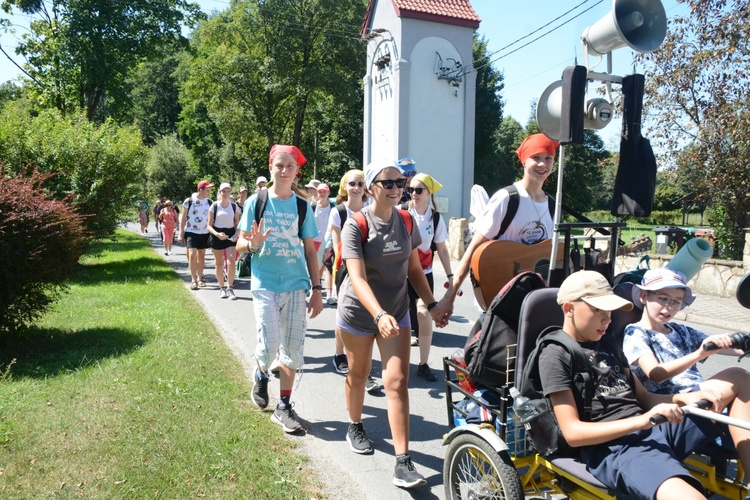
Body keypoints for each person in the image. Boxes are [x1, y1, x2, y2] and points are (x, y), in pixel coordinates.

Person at [539, 270, 740, 500]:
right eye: (597, 310)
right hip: (617, 448)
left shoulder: (608, 344)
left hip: (650, 428)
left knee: (736, 377)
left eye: (609, 310)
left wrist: (684, 399)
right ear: (569, 309)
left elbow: (645, 398)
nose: (607, 318)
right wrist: (645, 420)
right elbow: (573, 433)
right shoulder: (555, 354)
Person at [336, 159, 450, 489]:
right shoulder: (356, 224)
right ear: (372, 188)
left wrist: (430, 304)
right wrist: (377, 314)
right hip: (360, 313)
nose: (397, 189)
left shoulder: (405, 220)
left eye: (400, 182)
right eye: (388, 183)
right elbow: (356, 277)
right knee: (358, 375)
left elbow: (415, 269)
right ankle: (355, 425)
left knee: (397, 381)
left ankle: (403, 461)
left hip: (397, 310)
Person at [236, 144, 322, 434]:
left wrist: (318, 289)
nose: (284, 171)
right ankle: (261, 371)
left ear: (297, 171)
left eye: (290, 166)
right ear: (270, 167)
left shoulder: (302, 206)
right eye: (279, 165)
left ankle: (284, 407)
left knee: (293, 349)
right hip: (265, 284)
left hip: (296, 285)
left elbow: (311, 251)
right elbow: (239, 244)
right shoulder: (255, 202)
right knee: (270, 345)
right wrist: (253, 244)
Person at [623, 267, 750, 464]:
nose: (669, 307)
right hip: (674, 405)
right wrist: (698, 354)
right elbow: (655, 373)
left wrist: (737, 343)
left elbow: (727, 347)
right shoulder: (635, 333)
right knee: (739, 375)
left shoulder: (681, 331)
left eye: (676, 302)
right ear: (643, 296)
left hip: (704, 399)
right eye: (663, 298)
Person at [441, 133, 558, 312]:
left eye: (548, 158)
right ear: (524, 161)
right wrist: (450, 296)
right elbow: (474, 248)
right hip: (500, 299)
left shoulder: (552, 204)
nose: (542, 164)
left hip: (533, 301)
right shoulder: (507, 198)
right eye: (536, 157)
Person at [404, 173, 452, 382]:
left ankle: (423, 364)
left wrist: (451, 276)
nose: (413, 194)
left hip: (424, 274)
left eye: (418, 190)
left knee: (424, 313)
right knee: (399, 317)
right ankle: (398, 362)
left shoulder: (436, 218)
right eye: (411, 190)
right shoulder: (400, 212)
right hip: (400, 273)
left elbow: (441, 249)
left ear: (428, 192)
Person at [328, 169, 368, 376]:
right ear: (345, 186)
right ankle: (339, 354)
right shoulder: (339, 212)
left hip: (369, 269)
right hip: (344, 269)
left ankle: (362, 359)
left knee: (365, 313)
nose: (357, 188)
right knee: (343, 312)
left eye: (361, 184)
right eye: (352, 184)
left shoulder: (370, 209)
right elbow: (337, 247)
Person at [208, 183, 242, 300]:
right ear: (220, 192)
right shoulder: (214, 206)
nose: (226, 194)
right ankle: (222, 288)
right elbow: (208, 226)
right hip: (217, 234)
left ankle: (230, 287)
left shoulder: (234, 206)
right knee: (219, 263)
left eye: (228, 191)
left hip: (230, 234)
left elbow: (238, 224)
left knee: (231, 262)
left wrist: (237, 233)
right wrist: (217, 234)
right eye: (224, 191)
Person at [179, 181, 213, 290]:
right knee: (192, 254)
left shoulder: (210, 202)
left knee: (201, 255)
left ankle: (200, 278)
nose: (209, 192)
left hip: (204, 232)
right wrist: (180, 233)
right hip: (191, 231)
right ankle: (193, 280)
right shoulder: (189, 201)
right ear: (200, 190)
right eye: (207, 189)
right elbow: (183, 218)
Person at [312, 183, 334, 303]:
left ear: (328, 193)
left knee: (327, 267)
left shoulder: (333, 207)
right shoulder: (313, 206)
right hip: (314, 240)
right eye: (320, 191)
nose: (322, 194)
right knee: (316, 268)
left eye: (324, 191)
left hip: (328, 240)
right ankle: (315, 290)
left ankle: (329, 294)